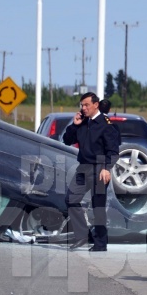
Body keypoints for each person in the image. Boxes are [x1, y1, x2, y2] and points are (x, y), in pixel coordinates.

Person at [62, 92, 120, 252]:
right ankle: (82, 236)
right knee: (71, 199)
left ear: (96, 104)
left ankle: (100, 243)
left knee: (98, 206)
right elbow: (67, 140)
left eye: (87, 105)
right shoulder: (82, 122)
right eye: (82, 105)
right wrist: (75, 124)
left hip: (100, 168)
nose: (84, 108)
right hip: (83, 167)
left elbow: (113, 151)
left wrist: (107, 169)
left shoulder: (106, 124)